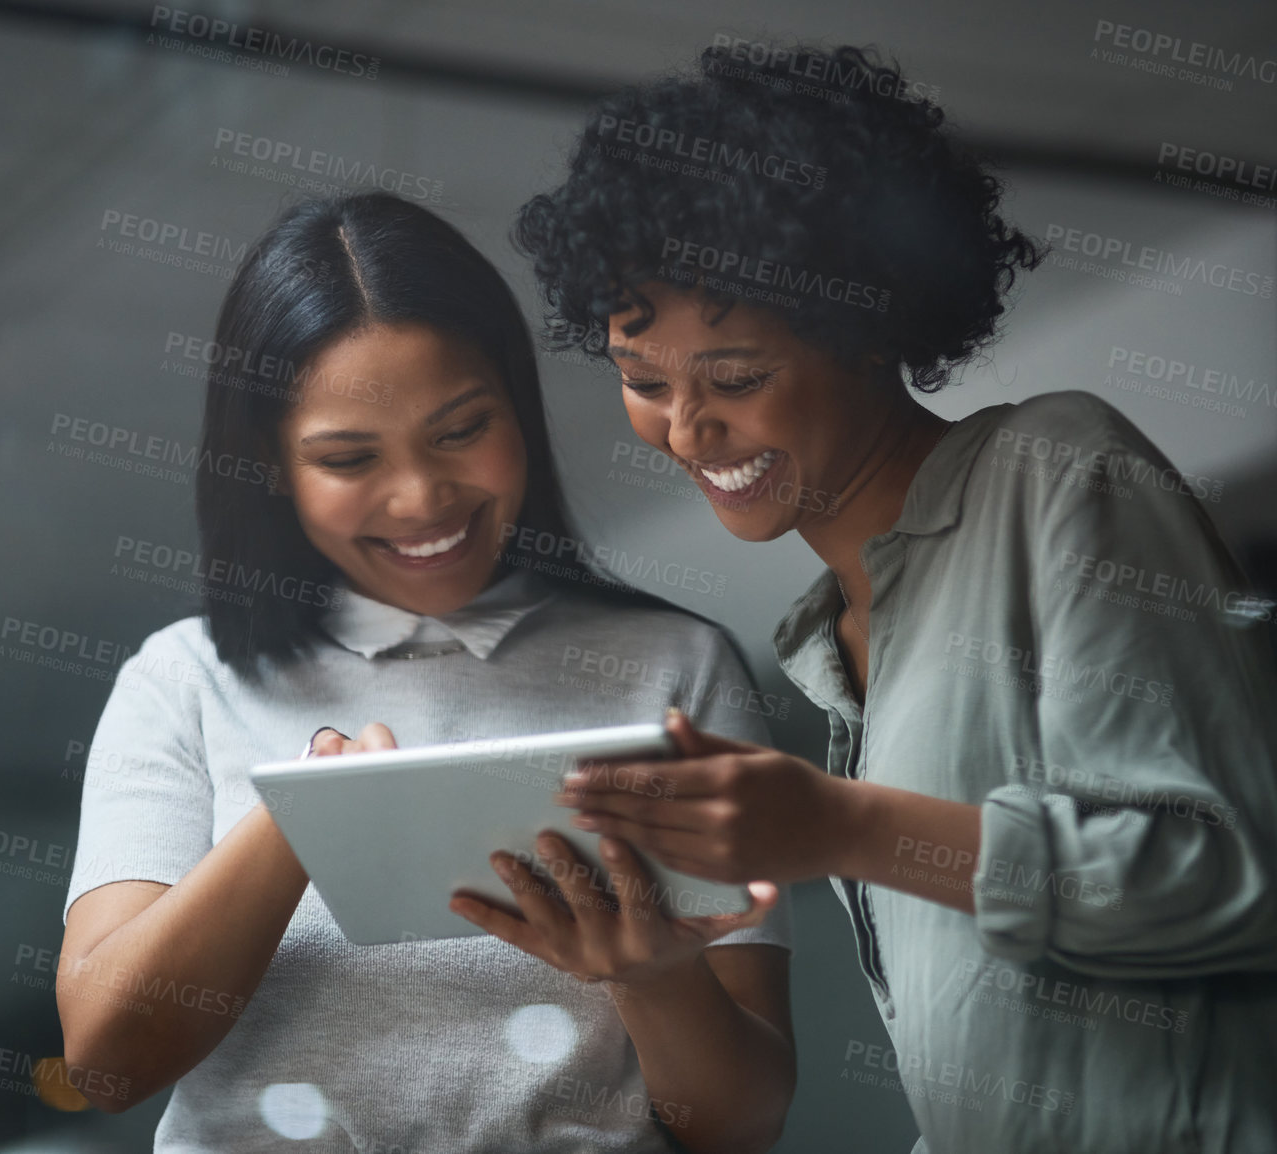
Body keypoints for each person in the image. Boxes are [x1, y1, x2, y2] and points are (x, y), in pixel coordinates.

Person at [516, 42, 1277, 1153]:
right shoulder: (837, 643)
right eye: (642, 381)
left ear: (871, 325)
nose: (685, 429)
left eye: (733, 379)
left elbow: (1231, 880)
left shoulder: (1060, 471)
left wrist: (841, 825)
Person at [56, 191, 796, 1153]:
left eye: (459, 432)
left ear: (518, 410)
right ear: (273, 468)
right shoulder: (181, 682)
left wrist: (650, 973)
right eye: (349, 457)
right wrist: (302, 819)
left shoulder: (675, 667)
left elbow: (741, 1125)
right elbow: (107, 1062)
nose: (420, 499)